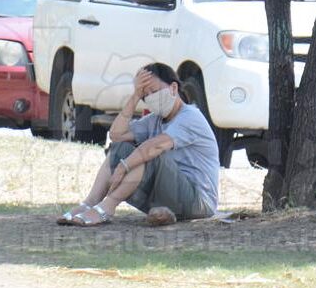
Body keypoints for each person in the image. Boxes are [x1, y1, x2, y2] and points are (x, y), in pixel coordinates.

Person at [58, 63, 219, 227]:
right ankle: (89, 203)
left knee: (147, 154)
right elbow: (116, 135)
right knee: (121, 149)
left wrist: (123, 167)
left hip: (199, 202)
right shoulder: (153, 120)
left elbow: (154, 147)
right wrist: (135, 96)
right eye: (145, 95)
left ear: (173, 88)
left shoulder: (190, 117)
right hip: (170, 196)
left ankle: (107, 207)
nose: (151, 98)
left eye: (155, 91)